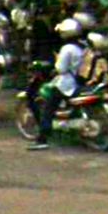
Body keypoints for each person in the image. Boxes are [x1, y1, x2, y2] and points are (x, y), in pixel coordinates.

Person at [27, 17, 85, 150]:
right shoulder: (82, 46)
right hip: (79, 81)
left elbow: (61, 68)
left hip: (66, 83)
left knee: (48, 109)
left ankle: (42, 140)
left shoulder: (67, 49)